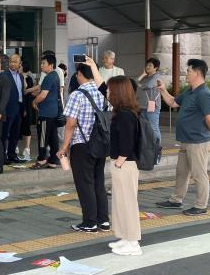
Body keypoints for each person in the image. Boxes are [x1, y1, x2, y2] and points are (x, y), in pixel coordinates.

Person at [156, 59, 210, 216]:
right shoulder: (190, 91)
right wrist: (163, 90)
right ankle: (176, 200)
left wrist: (206, 132)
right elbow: (173, 103)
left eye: (188, 71)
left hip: (198, 142)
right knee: (182, 172)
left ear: (197, 72)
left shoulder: (204, 94)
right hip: (186, 140)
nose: (186, 74)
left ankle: (201, 205)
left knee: (199, 174)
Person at [57, 63, 110, 233]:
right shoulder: (103, 92)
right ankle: (103, 221)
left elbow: (71, 124)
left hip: (82, 145)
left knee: (85, 184)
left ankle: (89, 222)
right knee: (98, 182)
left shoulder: (77, 95)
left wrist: (64, 147)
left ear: (80, 74)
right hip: (100, 144)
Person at [106, 76, 142, 256]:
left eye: (110, 90)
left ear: (118, 92)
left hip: (125, 164)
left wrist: (119, 161)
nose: (107, 92)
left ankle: (133, 241)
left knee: (128, 203)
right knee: (120, 202)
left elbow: (128, 143)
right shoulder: (122, 113)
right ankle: (125, 237)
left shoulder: (126, 115)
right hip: (121, 163)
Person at [31, 54, 60, 169]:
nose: (41, 66)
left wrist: (34, 102)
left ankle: (42, 159)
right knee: (53, 137)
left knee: (43, 137)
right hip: (53, 112)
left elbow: (43, 95)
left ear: (51, 65)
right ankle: (53, 160)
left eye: (44, 63)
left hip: (46, 112)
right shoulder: (56, 75)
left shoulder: (49, 77)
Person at [137, 57, 163, 163]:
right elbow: (136, 82)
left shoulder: (157, 77)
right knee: (145, 129)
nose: (147, 67)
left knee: (154, 128)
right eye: (147, 65)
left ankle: (158, 150)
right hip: (143, 107)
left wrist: (140, 84)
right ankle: (148, 149)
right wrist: (142, 75)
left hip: (153, 108)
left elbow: (145, 86)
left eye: (150, 66)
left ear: (156, 68)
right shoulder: (146, 77)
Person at [3, 54, 26, 164]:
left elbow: (21, 92)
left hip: (18, 108)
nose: (12, 63)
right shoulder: (5, 75)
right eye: (11, 61)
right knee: (5, 133)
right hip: (8, 109)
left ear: (19, 63)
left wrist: (24, 108)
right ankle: (2, 156)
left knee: (15, 133)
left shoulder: (20, 76)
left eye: (15, 62)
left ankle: (12, 154)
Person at [20, 60, 35, 161]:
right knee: (16, 129)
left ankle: (27, 149)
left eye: (20, 65)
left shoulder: (28, 78)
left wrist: (23, 77)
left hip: (26, 106)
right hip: (19, 106)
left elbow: (25, 90)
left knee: (26, 128)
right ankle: (15, 149)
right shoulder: (17, 77)